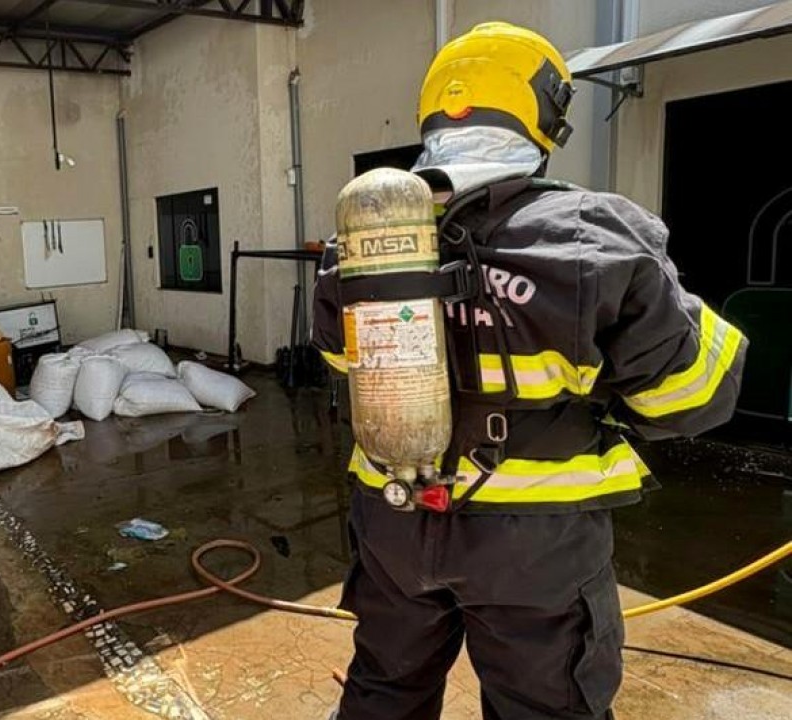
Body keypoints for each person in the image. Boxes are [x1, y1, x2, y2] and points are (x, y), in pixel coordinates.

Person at [311, 22, 748, 720]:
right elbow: (690, 397)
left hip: (392, 518)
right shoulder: (595, 236)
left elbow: (343, 360)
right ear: (545, 116)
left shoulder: (359, 242)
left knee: (384, 694)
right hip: (533, 543)